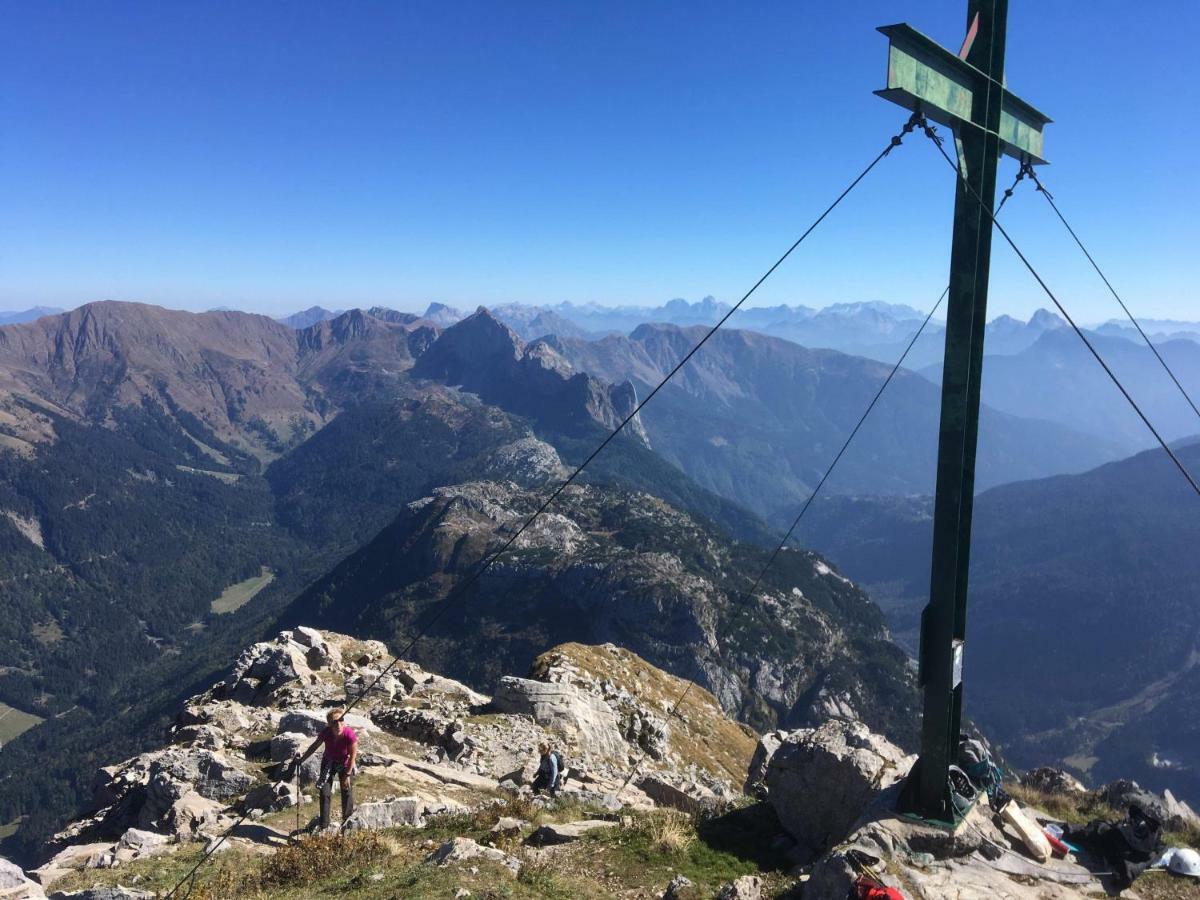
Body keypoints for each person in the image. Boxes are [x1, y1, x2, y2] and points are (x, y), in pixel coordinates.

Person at [294, 708, 358, 830]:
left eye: (341, 720)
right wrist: (302, 760)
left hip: (345, 763)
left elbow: (353, 756)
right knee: (324, 792)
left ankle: (347, 822)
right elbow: (314, 746)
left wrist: (347, 775)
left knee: (346, 790)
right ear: (329, 724)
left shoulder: (349, 734)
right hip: (328, 762)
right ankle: (324, 825)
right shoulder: (326, 733)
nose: (338, 724)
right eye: (334, 722)